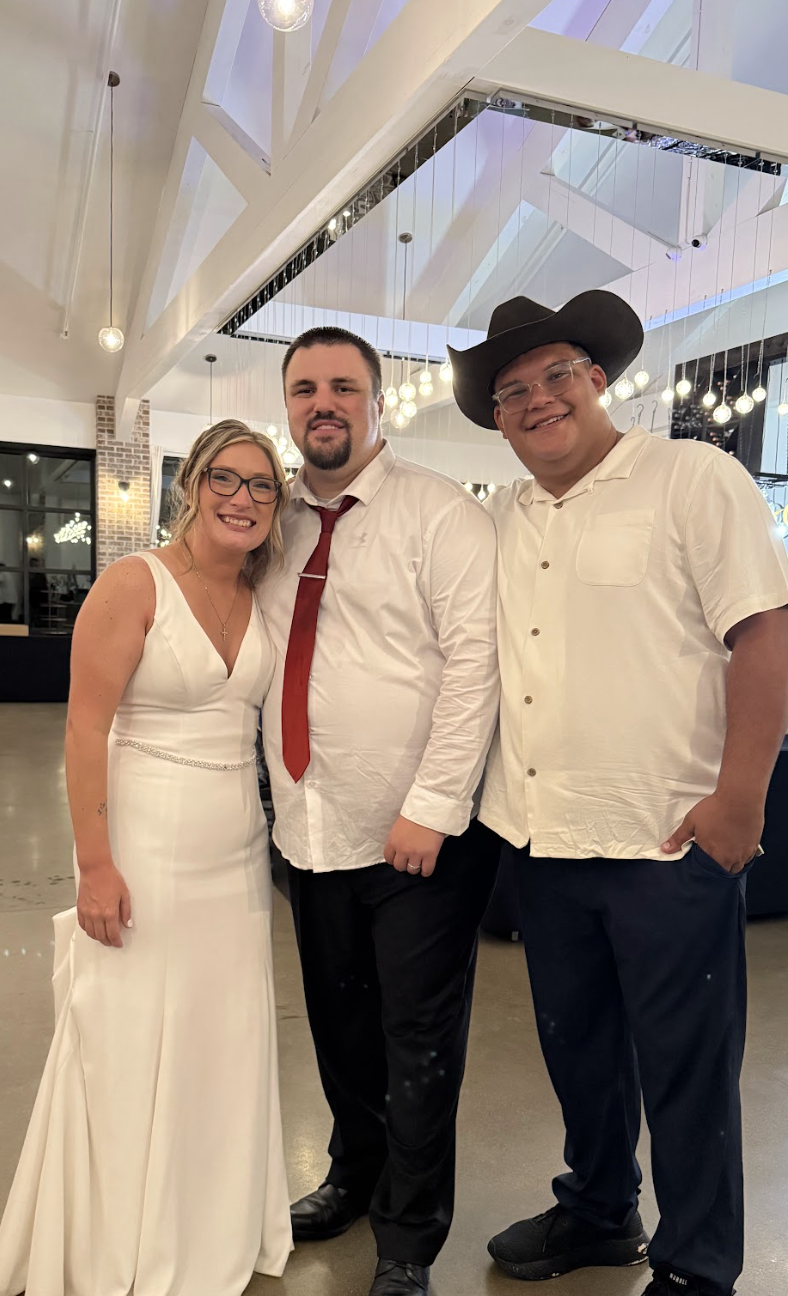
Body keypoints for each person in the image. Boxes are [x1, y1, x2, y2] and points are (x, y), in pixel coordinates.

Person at [449, 292, 788, 1296]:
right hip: (544, 841)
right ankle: (601, 1211)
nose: (536, 399)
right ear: (499, 416)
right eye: (512, 390)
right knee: (580, 1051)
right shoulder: (499, 519)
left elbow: (765, 628)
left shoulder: (693, 477)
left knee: (687, 1067)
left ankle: (696, 1267)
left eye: (556, 374)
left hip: (667, 842)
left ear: (599, 378)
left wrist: (742, 799)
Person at [0, 420, 294, 1296]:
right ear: (191, 484)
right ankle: (120, 1231)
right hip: (144, 839)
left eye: (262, 485)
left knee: (219, 1032)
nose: (243, 498)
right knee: (127, 1029)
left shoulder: (264, 594)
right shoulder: (134, 583)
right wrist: (96, 865)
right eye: (225, 478)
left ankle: (210, 1218)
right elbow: (84, 728)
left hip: (235, 849)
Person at [260, 327, 500, 1296]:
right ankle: (353, 1176)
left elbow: (476, 665)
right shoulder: (270, 524)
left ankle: (407, 1237)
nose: (325, 402)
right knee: (339, 1026)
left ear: (378, 402)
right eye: (306, 387)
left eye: (344, 387)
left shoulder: (440, 514)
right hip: (307, 829)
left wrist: (433, 806)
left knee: (417, 1040)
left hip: (417, 840)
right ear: (287, 404)